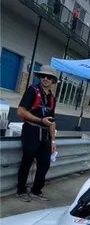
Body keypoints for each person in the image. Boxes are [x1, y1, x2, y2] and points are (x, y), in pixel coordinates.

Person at [16, 65, 58, 202]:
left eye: (49, 77)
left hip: (45, 135)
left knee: (45, 164)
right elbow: (20, 111)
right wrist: (40, 120)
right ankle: (21, 190)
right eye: (42, 76)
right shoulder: (32, 91)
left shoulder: (52, 98)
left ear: (53, 80)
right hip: (31, 131)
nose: (45, 78)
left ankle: (36, 190)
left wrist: (53, 141)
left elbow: (52, 121)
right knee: (26, 162)